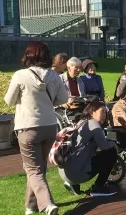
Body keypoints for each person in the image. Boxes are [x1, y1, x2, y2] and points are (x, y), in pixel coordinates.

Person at [4, 42, 68, 215]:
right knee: (38, 169)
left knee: (32, 169)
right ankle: (30, 206)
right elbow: (63, 98)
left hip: (28, 127)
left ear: (28, 56)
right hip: (49, 126)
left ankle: (47, 204)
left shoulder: (20, 75)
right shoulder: (54, 76)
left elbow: (8, 101)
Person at [59, 102, 118, 197]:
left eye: (105, 112)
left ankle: (73, 184)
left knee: (89, 155)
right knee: (111, 153)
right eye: (102, 112)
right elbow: (104, 146)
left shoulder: (82, 122)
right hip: (77, 174)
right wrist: (113, 144)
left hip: (65, 172)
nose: (104, 115)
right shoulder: (94, 124)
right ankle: (98, 188)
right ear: (92, 113)